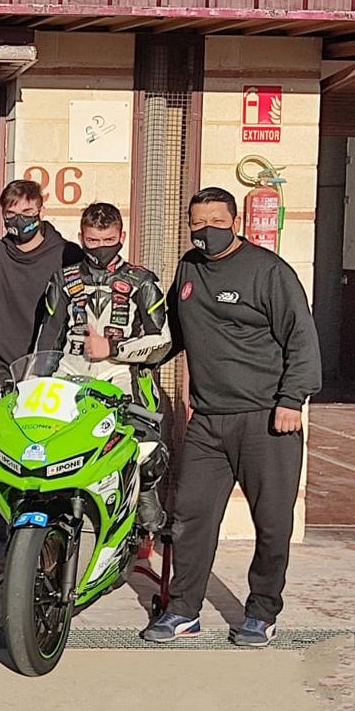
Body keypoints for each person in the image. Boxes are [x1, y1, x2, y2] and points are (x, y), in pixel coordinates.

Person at [141, 187, 322, 647]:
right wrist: (128, 359)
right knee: (189, 519)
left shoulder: (269, 272)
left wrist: (290, 400)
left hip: (266, 420)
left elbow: (301, 339)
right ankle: (182, 610)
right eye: (197, 223)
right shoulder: (188, 268)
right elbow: (172, 335)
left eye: (215, 221)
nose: (206, 231)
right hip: (208, 420)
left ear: (235, 222)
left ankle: (261, 612)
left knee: (273, 523)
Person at [35, 202, 172, 531]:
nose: (99, 249)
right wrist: (35, 384)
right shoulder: (62, 280)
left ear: (122, 236)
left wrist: (112, 348)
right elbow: (47, 340)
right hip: (69, 378)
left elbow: (163, 342)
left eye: (107, 240)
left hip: (122, 379)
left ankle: (145, 494)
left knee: (147, 449)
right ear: (81, 237)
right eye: (92, 241)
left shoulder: (143, 281)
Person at [0, 179, 83, 394]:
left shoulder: (68, 255)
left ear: (41, 210)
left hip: (61, 367)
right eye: (11, 214)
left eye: (27, 211)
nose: (19, 220)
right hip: (6, 369)